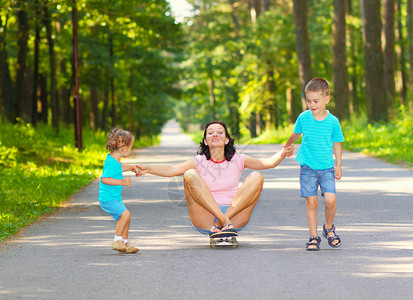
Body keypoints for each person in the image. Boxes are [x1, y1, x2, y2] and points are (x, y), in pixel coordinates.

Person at [137, 121, 294, 237]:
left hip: (235, 216)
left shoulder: (238, 159)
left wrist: (282, 153)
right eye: (210, 132)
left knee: (256, 176)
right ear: (206, 141)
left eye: (220, 132)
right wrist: (149, 168)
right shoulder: (198, 161)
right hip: (205, 217)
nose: (215, 134)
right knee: (189, 173)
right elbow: (172, 170)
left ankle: (221, 223)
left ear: (226, 140)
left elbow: (267, 163)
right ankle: (223, 223)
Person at [282, 78, 344, 251]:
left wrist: (338, 165)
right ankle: (313, 237)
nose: (312, 105)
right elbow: (296, 134)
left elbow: (338, 143)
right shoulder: (304, 117)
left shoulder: (333, 121)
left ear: (327, 99)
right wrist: (287, 145)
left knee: (330, 200)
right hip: (308, 167)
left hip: (326, 168)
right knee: (312, 203)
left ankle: (329, 228)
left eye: (316, 101)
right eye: (308, 101)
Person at [99, 128, 139, 253]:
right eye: (130, 147)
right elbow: (104, 179)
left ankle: (125, 243)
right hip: (108, 198)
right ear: (123, 149)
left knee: (126, 217)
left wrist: (131, 167)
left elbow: (118, 168)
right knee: (125, 215)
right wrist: (122, 182)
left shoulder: (113, 159)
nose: (131, 150)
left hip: (114, 197)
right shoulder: (111, 162)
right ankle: (117, 241)